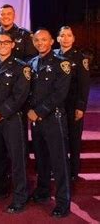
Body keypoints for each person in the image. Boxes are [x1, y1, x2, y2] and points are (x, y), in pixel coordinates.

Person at [0, 32, 31, 214]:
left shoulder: (21, 67)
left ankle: (20, 196)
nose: (2, 45)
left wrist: (0, 112)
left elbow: (20, 96)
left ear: (12, 45)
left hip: (12, 119)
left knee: (17, 159)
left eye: (5, 42)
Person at [28, 29, 72, 218]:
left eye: (44, 40)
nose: (40, 43)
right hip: (36, 122)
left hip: (53, 119)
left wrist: (38, 111)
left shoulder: (62, 64)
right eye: (37, 40)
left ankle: (63, 203)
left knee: (59, 162)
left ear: (52, 41)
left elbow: (59, 94)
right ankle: (43, 191)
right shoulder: (32, 63)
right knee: (42, 159)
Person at [55, 26, 90, 180]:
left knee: (74, 139)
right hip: (56, 104)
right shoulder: (52, 55)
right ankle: (57, 169)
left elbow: (84, 85)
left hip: (72, 104)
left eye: (69, 35)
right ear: (57, 39)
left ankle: (73, 171)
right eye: (63, 35)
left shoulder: (80, 58)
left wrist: (81, 106)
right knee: (57, 138)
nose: (66, 38)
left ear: (73, 38)